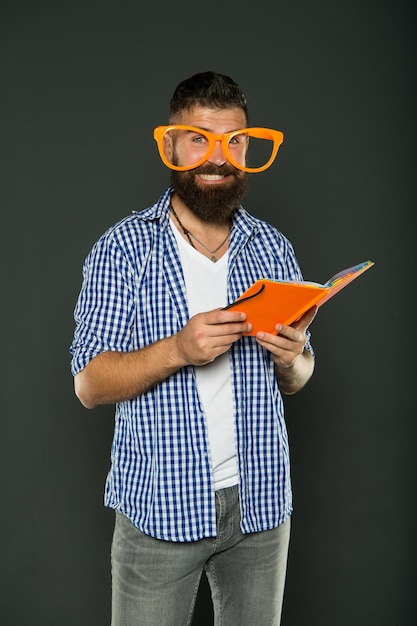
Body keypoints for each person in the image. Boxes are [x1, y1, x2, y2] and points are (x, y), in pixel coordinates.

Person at [70, 70, 316, 626]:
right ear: (171, 145)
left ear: (248, 147)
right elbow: (87, 383)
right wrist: (179, 349)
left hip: (261, 508)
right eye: (199, 138)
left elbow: (300, 375)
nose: (218, 157)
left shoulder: (274, 250)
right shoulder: (123, 249)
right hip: (160, 512)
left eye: (233, 141)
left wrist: (291, 356)